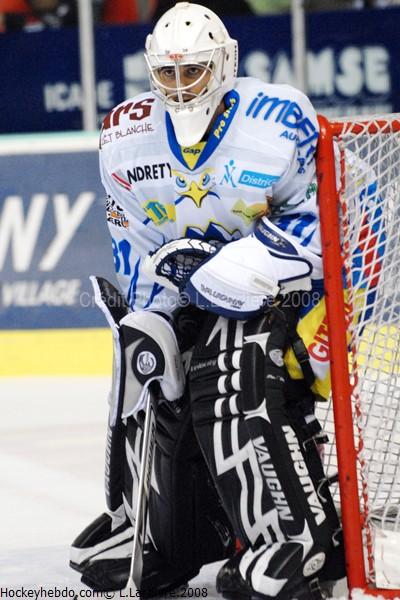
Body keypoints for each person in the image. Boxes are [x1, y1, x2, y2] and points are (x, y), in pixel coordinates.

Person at [70, 3, 346, 599]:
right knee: (151, 371)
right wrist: (156, 320)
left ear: (223, 64)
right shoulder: (124, 138)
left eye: (192, 70)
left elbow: (325, 227)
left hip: (295, 295)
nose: (179, 86)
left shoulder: (278, 118)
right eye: (166, 73)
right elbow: (135, 247)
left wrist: (247, 266)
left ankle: (293, 538)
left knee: (233, 374)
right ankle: (166, 533)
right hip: (199, 296)